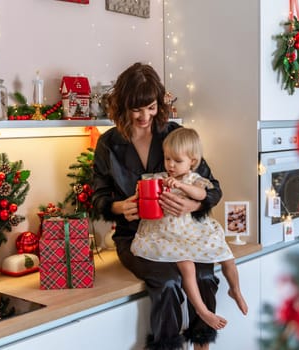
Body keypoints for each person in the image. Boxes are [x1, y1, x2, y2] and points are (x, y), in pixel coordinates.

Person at [92, 62, 223, 350]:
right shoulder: (109, 144)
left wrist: (191, 204)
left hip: (181, 233)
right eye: (136, 109)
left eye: (150, 107)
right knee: (167, 282)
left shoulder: (173, 134)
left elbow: (212, 189)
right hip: (136, 237)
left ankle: (202, 344)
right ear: (122, 105)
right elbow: (97, 198)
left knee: (203, 273)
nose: (144, 116)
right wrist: (119, 208)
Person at [131, 128, 248, 331]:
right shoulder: (161, 177)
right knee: (187, 266)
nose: (170, 165)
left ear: (192, 162)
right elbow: (144, 185)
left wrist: (181, 186)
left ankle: (235, 290)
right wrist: (142, 190)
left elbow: (204, 194)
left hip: (192, 230)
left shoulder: (194, 179)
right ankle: (202, 310)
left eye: (177, 161)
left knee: (226, 255)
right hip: (168, 232)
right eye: (167, 158)